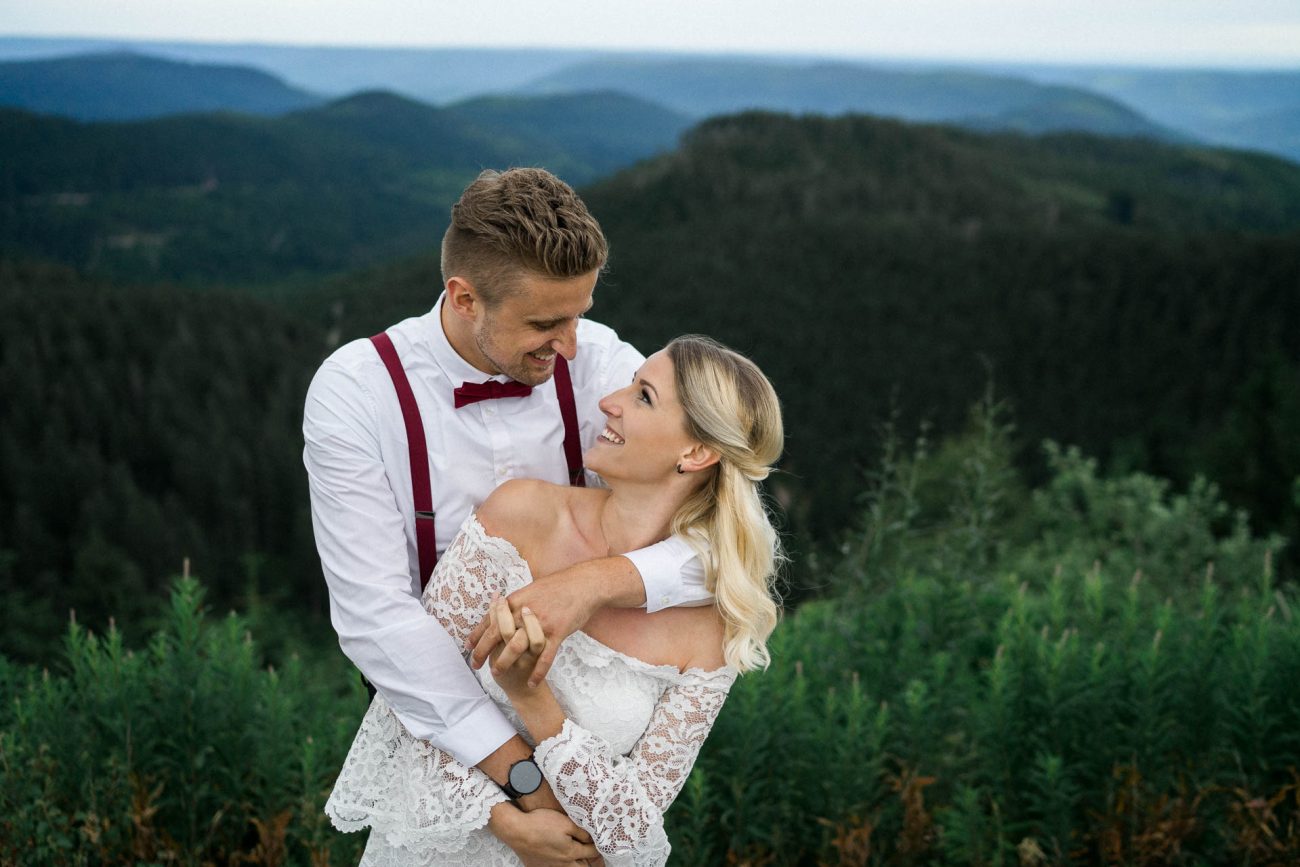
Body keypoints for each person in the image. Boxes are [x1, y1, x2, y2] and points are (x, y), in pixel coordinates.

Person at [303, 168, 713, 862]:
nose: (573, 344)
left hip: (584, 744)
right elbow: (378, 620)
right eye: (546, 323)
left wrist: (590, 583)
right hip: (431, 736)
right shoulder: (357, 393)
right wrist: (514, 793)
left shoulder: (601, 366)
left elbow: (724, 528)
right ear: (465, 297)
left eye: (579, 313)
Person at [326, 335, 784, 865]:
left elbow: (634, 836)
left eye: (643, 396)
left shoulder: (710, 632)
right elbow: (406, 707)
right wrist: (503, 822)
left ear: (696, 453)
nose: (609, 401)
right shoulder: (518, 518)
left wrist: (532, 700)